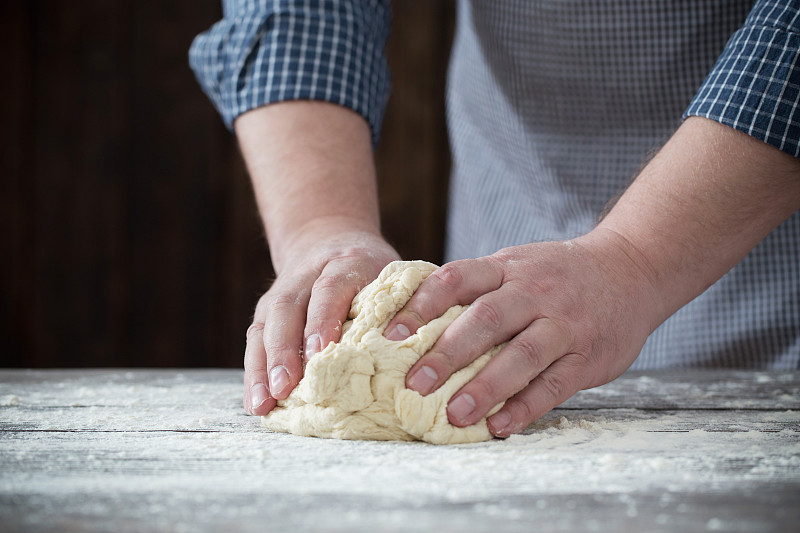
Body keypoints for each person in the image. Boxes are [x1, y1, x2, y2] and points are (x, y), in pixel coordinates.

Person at [190, 0, 800, 438]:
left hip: (765, 251)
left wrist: (636, 260)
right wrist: (323, 229)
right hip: (507, 246)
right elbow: (304, 11)